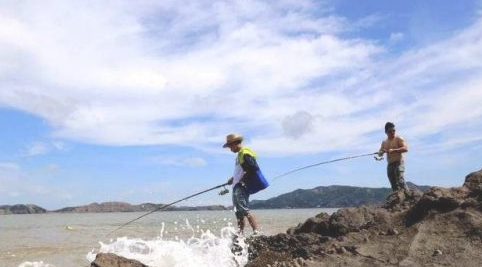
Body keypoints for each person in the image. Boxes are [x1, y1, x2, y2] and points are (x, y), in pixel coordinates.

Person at [223, 133, 268, 235]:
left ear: (235, 143)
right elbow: (242, 170)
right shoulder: (239, 155)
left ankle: (256, 232)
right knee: (238, 212)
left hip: (241, 187)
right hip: (236, 186)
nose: (230, 149)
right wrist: (233, 179)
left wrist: (242, 181)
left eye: (230, 146)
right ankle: (240, 233)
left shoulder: (245, 153)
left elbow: (253, 168)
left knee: (244, 210)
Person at [377, 122, 408, 192]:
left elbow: (405, 149)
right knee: (393, 183)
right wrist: (381, 152)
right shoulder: (384, 142)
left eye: (393, 130)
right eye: (390, 131)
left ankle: (408, 196)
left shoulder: (398, 138)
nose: (392, 132)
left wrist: (393, 150)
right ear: (386, 132)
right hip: (390, 164)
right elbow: (380, 154)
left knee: (400, 180)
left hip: (399, 162)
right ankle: (398, 198)